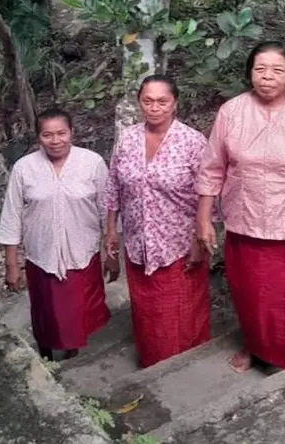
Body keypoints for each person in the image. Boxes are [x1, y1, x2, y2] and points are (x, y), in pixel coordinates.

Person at [195, 41, 285, 373]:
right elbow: (212, 169)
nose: (267, 77)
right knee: (254, 295)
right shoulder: (231, 112)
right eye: (260, 69)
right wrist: (203, 219)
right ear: (250, 72)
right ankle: (256, 346)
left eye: (277, 70)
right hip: (247, 223)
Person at [104, 74, 211, 369]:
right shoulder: (127, 139)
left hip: (178, 246)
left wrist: (199, 241)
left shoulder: (192, 142)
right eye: (147, 101)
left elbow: (208, 192)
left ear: (175, 103)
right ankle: (153, 364)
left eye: (162, 101)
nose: (154, 108)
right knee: (147, 312)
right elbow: (113, 185)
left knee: (181, 311)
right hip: (138, 244)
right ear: (139, 102)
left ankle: (185, 367)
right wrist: (111, 230)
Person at [0, 109, 116, 362]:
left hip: (81, 252)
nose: (56, 140)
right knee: (47, 313)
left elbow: (108, 209)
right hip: (43, 255)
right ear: (38, 137)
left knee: (76, 313)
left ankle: (72, 354)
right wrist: (12, 264)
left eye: (61, 133)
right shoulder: (24, 168)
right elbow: (11, 215)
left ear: (72, 132)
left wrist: (111, 250)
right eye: (47, 134)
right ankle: (47, 355)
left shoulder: (91, 162)